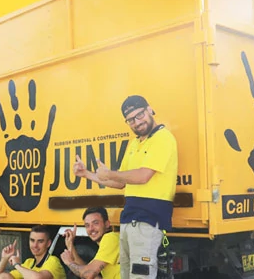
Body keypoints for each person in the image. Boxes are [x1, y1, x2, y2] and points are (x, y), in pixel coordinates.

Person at [73, 95, 178, 279]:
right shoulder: (134, 143)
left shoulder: (163, 138)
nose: (137, 122)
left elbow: (143, 175)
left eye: (140, 115)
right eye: (131, 120)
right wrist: (87, 174)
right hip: (129, 220)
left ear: (149, 110)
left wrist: (110, 173)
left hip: (148, 221)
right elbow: (121, 182)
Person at [60, 206, 121, 279]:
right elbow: (90, 274)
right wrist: (70, 245)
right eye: (87, 225)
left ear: (107, 224)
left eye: (95, 223)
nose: (91, 229)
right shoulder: (108, 243)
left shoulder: (110, 238)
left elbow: (89, 274)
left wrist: (69, 263)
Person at [0, 225, 66, 279]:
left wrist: (16, 265)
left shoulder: (53, 261)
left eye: (40, 241)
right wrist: (4, 259)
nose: (35, 245)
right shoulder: (29, 262)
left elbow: (38, 278)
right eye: (32, 240)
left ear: (48, 243)